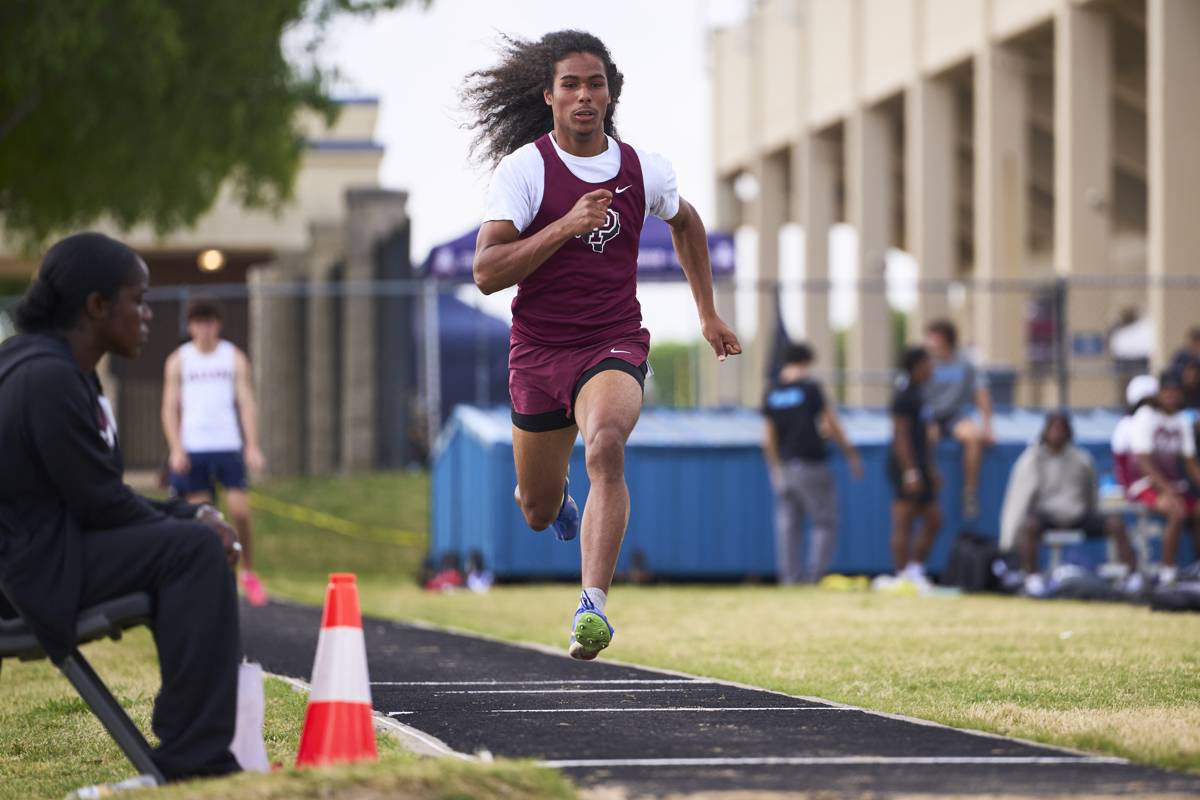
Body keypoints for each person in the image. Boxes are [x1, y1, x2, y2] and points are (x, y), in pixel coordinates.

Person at [464, 30, 740, 659]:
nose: (584, 96)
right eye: (571, 85)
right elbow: (486, 273)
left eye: (595, 84)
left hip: (612, 341)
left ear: (610, 94)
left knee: (606, 446)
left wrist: (707, 313)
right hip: (538, 353)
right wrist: (565, 225)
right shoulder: (526, 170)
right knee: (534, 508)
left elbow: (687, 222)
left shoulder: (646, 169)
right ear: (550, 96)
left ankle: (592, 606)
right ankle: (559, 501)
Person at [0, 233, 241, 782]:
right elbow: (101, 505)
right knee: (194, 552)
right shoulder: (47, 377)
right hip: (28, 579)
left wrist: (187, 515)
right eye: (139, 299)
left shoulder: (54, 366)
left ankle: (190, 751)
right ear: (96, 306)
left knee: (189, 542)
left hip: (39, 557)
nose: (148, 314)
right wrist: (193, 520)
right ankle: (196, 763)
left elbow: (95, 498)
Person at [162, 299, 268, 606]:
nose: (204, 329)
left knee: (240, 512)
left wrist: (252, 445)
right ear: (191, 326)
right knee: (206, 521)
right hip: (194, 448)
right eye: (198, 322)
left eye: (210, 322)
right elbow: (169, 407)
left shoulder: (232, 356)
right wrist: (176, 448)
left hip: (227, 445)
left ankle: (249, 570)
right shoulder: (179, 360)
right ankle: (213, 579)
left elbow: (246, 402)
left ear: (218, 324)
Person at [1000, 412, 1135, 596]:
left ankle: (1131, 578)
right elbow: (1019, 500)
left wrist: (1092, 512)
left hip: (1077, 515)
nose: (1056, 434)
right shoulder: (1032, 459)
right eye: (1053, 429)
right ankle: (1032, 578)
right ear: (1045, 432)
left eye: (1061, 429)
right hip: (1048, 515)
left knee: (1116, 525)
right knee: (1030, 526)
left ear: (1069, 433)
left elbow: (1091, 493)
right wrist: (1009, 540)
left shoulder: (1082, 459)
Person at [762, 342, 863, 584]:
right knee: (824, 521)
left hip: (785, 465)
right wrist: (850, 454)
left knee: (788, 525)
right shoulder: (810, 388)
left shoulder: (772, 391)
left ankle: (791, 579)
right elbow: (831, 423)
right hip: (811, 463)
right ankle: (814, 577)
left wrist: (774, 468)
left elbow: (768, 436)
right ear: (806, 361)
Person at [1129, 371, 1200, 585]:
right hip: (1145, 484)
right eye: (1166, 391)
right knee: (1176, 511)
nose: (1170, 396)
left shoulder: (1181, 420)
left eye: (1174, 391)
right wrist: (1166, 489)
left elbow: (1190, 462)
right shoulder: (1146, 416)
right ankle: (1167, 571)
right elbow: (1144, 462)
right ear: (1158, 393)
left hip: (1174, 485)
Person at [923, 319, 992, 519]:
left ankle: (969, 493)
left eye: (934, 338)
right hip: (931, 417)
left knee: (973, 438)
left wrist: (988, 428)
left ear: (946, 340)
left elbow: (981, 394)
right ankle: (929, 488)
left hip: (955, 416)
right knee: (927, 438)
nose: (930, 343)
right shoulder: (924, 363)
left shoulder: (965, 363)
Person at [886, 347, 942, 590]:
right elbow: (901, 436)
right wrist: (910, 472)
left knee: (934, 519)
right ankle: (901, 575)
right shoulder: (904, 395)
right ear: (917, 366)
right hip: (905, 467)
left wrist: (929, 468)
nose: (932, 368)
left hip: (920, 465)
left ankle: (915, 569)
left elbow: (924, 438)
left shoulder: (921, 395)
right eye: (928, 363)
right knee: (904, 520)